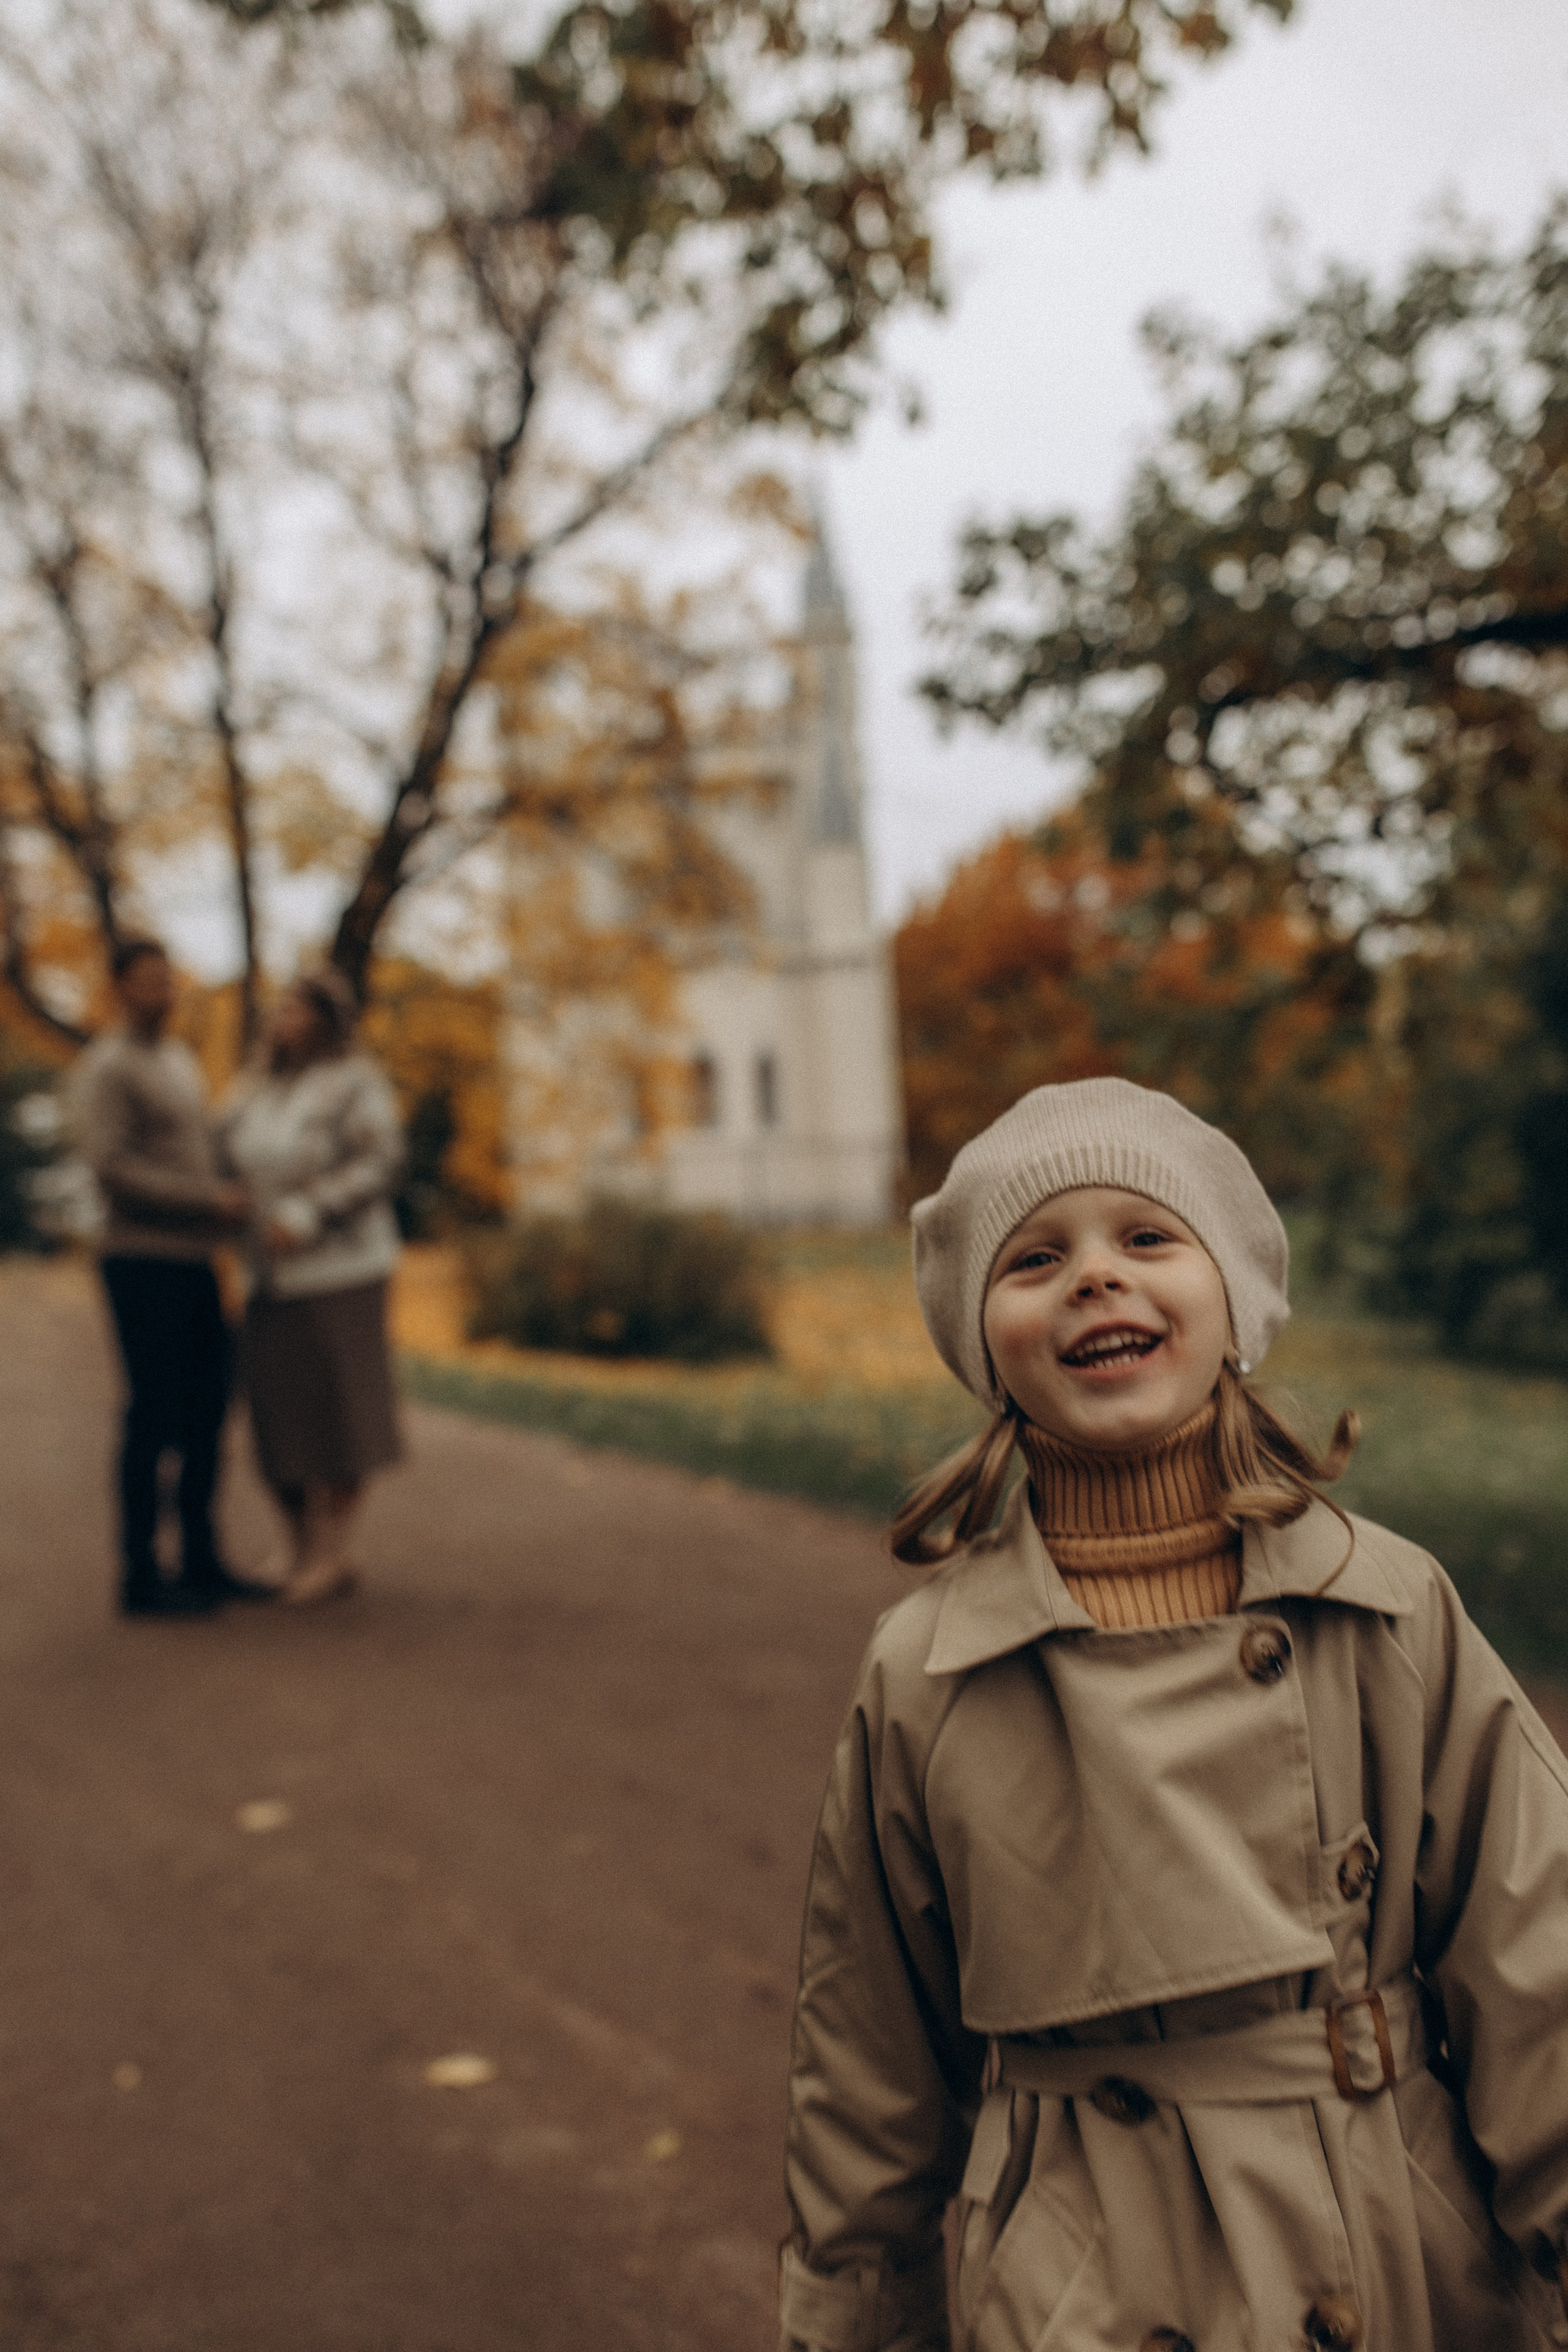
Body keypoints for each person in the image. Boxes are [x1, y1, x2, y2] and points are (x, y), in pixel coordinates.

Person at [778, 1077, 1568, 2352]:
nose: (1095, 1277)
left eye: (1146, 1237)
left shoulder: (1377, 1609)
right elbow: (867, 2063)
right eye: (1034, 1258)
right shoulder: (927, 1675)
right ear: (985, 1345)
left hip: (1381, 2241)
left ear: (1235, 1306)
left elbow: (1538, 1967)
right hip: (1079, 2277)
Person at [72, 936, 270, 1616]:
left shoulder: (178, 1061)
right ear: (121, 986)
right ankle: (140, 1574)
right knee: (152, 1414)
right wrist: (209, 1200)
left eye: (170, 980)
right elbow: (112, 1168)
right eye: (151, 982)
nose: (166, 992)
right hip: (140, 1260)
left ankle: (202, 1559)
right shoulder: (107, 1068)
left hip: (194, 1264)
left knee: (208, 1412)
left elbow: (200, 1147)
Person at [218, 967, 403, 1607]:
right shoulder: (253, 1090)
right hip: (268, 1278)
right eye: (279, 1009)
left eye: (297, 1009)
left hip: (341, 1270)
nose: (282, 1020)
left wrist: (310, 1211)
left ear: (328, 1019)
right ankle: (297, 1544)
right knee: (276, 1417)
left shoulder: (355, 1084)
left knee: (340, 1414)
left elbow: (381, 1161)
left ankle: (333, 1552)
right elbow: (218, 1157)